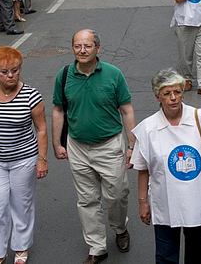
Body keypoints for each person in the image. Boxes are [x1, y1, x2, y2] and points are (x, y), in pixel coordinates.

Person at [51, 29, 136, 264]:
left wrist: (132, 146)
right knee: (87, 199)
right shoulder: (65, 75)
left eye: (87, 46)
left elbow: (126, 110)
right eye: (78, 46)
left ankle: (120, 229)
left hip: (110, 146)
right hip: (77, 146)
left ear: (98, 48)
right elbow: (59, 109)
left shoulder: (113, 74)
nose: (82, 50)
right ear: (72, 49)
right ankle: (97, 247)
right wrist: (57, 143)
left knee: (117, 195)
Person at [132, 68, 201, 264]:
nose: (173, 98)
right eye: (167, 93)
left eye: (177, 92)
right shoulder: (148, 128)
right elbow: (143, 169)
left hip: (196, 200)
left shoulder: (200, 118)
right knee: (166, 255)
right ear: (157, 97)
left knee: (195, 252)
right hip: (164, 202)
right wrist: (143, 202)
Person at [0, 46, 49, 264]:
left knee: (21, 204)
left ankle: (21, 248)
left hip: (24, 159)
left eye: (15, 70)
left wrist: (42, 160)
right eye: (4, 71)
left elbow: (41, 129)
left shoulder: (31, 96)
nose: (11, 75)